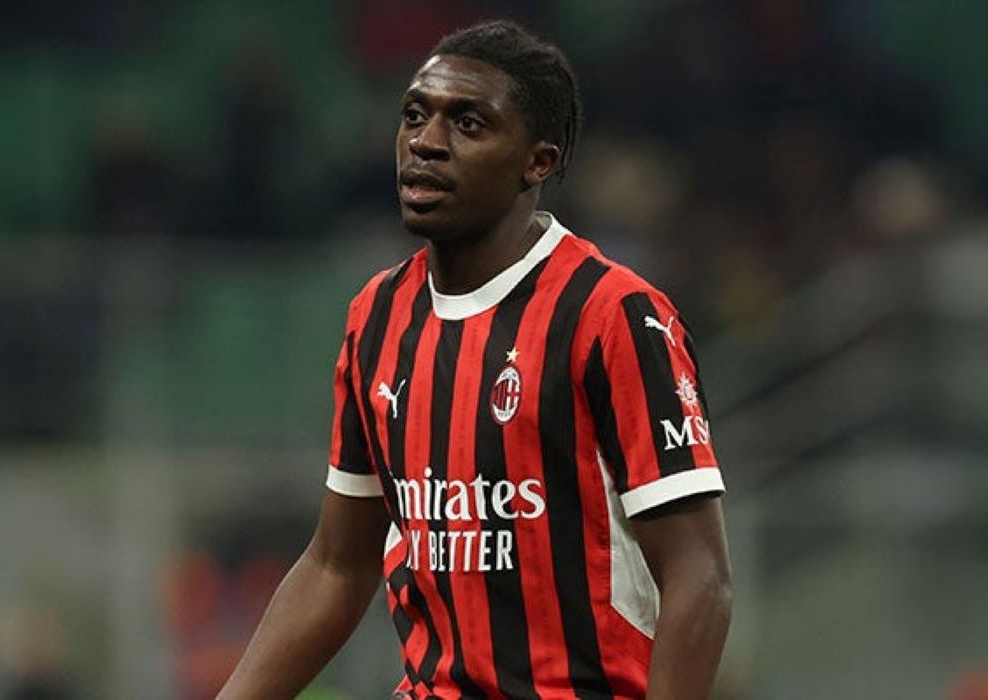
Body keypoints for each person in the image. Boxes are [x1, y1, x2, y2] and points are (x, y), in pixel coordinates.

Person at [218, 19, 731, 699]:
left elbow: (700, 578)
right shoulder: (378, 316)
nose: (426, 142)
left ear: (537, 162)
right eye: (414, 115)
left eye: (468, 123)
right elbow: (336, 565)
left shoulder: (612, 315)